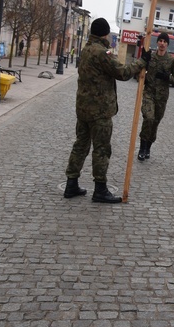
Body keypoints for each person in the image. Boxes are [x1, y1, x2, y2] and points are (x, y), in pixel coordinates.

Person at [63, 18, 149, 204]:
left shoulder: (86, 50)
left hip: (83, 110)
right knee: (101, 150)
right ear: (104, 33)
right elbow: (123, 73)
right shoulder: (102, 52)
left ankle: (71, 183)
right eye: (109, 33)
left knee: (81, 145)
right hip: (99, 111)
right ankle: (100, 189)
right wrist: (142, 61)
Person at [137, 32, 174, 161]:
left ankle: (148, 147)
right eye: (160, 41)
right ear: (157, 43)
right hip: (149, 93)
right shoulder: (150, 57)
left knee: (155, 123)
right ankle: (142, 147)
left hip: (161, 97)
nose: (162, 43)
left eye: (164, 41)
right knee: (148, 118)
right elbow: (140, 69)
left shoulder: (171, 60)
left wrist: (167, 77)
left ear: (167, 44)